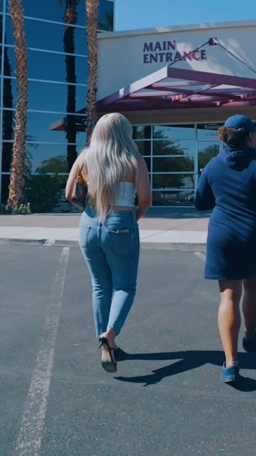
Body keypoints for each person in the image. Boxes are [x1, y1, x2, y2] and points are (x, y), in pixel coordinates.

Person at [195, 114, 256, 384]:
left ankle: (230, 363)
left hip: (222, 236)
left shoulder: (212, 165)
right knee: (252, 289)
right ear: (250, 136)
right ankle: (251, 337)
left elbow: (200, 202)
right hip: (253, 235)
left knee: (228, 297)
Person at [66, 113, 152, 373]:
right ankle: (110, 336)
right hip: (121, 222)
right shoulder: (133, 159)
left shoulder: (85, 157)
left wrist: (89, 210)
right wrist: (135, 214)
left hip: (89, 224)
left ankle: (106, 343)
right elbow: (146, 199)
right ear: (125, 132)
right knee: (125, 286)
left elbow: (70, 193)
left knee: (100, 286)